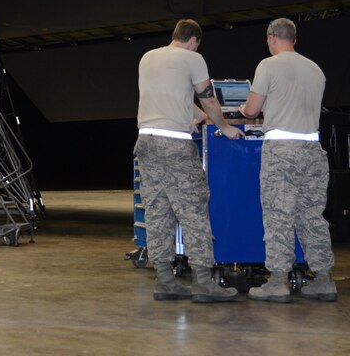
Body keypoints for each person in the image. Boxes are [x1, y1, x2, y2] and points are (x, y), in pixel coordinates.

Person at [135, 18, 242, 303]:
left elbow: (172, 96)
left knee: (157, 211)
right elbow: (208, 100)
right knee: (193, 209)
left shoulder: (148, 58)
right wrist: (224, 126)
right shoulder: (193, 58)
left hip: (145, 142)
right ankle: (204, 283)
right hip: (175, 146)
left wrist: (194, 117)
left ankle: (164, 280)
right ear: (194, 40)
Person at [240, 18, 336, 303]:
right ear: (294, 38)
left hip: (282, 150)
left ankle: (279, 281)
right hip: (313, 150)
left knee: (278, 215)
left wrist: (244, 108)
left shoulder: (268, 66)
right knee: (311, 216)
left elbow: (252, 109)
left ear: (271, 38)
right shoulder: (315, 69)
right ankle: (324, 279)